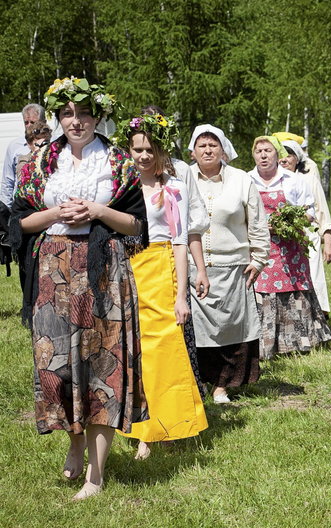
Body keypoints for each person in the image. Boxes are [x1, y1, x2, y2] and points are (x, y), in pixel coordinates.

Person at [10, 77, 146, 500]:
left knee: (103, 368)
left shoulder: (119, 163)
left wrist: (98, 210)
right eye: (67, 113)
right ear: (58, 119)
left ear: (97, 116)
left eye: (84, 113)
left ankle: (96, 475)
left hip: (104, 272)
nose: (76, 121)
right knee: (58, 367)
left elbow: (137, 226)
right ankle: (73, 442)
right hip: (53, 272)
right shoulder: (38, 166)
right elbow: (17, 225)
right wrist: (55, 212)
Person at [115, 113, 208, 459]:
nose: (143, 156)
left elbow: (181, 239)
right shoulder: (121, 188)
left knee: (163, 350)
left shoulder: (175, 187)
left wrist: (181, 294)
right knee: (135, 351)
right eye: (137, 149)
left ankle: (161, 428)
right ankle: (140, 424)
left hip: (162, 267)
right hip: (128, 266)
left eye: (149, 149)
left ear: (160, 150)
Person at [187, 124, 268, 403]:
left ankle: (222, 385)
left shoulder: (242, 180)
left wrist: (259, 259)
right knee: (196, 329)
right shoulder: (183, 178)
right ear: (193, 151)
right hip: (192, 266)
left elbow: (257, 222)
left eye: (213, 145)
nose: (207, 150)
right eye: (202, 145)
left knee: (231, 328)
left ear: (223, 149)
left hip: (234, 265)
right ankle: (198, 383)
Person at [248, 136, 331, 359]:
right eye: (259, 151)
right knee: (263, 291)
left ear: (278, 154)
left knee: (292, 293)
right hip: (260, 247)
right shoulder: (247, 180)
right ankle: (264, 346)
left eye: (268, 150)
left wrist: (287, 223)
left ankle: (295, 343)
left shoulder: (294, 180)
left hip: (290, 249)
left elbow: (309, 212)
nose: (263, 155)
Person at [275, 134, 331, 316]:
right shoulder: (272, 180)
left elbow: (321, 209)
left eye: (289, 155)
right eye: (281, 155)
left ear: (297, 158)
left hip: (307, 236)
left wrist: (329, 240)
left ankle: (317, 316)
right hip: (280, 238)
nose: (284, 159)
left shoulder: (309, 179)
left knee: (312, 276)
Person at [1, 103, 45, 207]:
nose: (29, 125)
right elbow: (8, 181)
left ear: (43, 122)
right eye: (26, 122)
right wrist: (6, 212)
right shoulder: (15, 146)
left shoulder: (53, 143)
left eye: (33, 122)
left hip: (45, 205)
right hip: (21, 206)